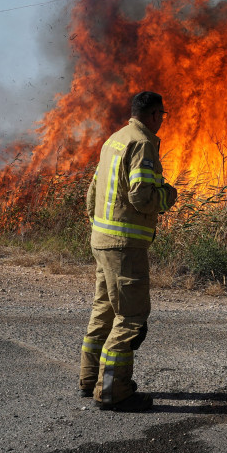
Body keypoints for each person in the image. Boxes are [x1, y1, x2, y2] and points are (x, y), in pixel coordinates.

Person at [78, 91, 179, 411]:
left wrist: (99, 228)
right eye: (162, 114)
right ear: (152, 115)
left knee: (104, 310)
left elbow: (92, 191)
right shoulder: (143, 143)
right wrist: (168, 196)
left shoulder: (115, 140)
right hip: (124, 246)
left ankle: (89, 377)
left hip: (102, 240)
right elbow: (141, 196)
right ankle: (113, 390)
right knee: (131, 317)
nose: (163, 120)